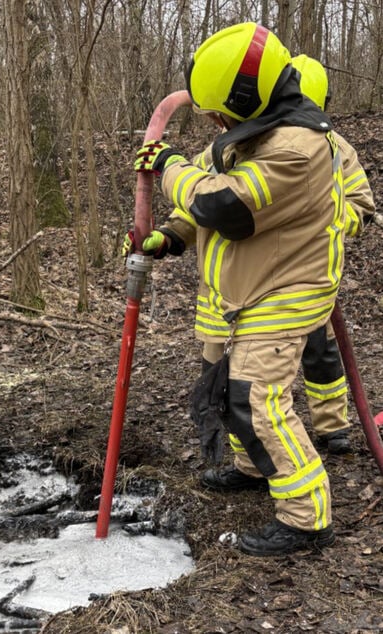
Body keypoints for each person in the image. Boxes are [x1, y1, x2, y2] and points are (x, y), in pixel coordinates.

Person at [132, 23, 344, 556]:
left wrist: (167, 166)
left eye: (218, 113)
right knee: (233, 395)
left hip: (285, 292)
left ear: (245, 101)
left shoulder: (299, 148)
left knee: (258, 398)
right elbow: (197, 205)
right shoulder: (252, 134)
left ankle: (307, 518)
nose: (213, 123)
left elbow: (223, 205)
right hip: (246, 293)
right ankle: (254, 469)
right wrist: (169, 237)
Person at [133, 53, 376, 457]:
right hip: (225, 294)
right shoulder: (231, 143)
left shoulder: (321, 148)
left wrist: (319, 217)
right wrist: (172, 235)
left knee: (316, 362)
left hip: (290, 282)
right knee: (232, 384)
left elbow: (358, 207)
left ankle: (332, 427)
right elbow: (204, 198)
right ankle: (248, 460)